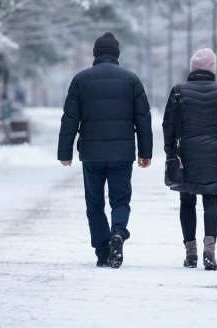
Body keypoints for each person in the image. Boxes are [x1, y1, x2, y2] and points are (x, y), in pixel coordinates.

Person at [58, 32, 153, 268]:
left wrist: (65, 152)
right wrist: (145, 152)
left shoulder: (81, 80)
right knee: (120, 200)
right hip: (122, 153)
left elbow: (70, 118)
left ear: (95, 54)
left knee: (95, 204)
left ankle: (102, 251)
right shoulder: (131, 80)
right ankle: (118, 232)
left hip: (92, 154)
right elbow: (143, 119)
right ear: (117, 55)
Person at [162, 48, 217, 271]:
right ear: (213, 69)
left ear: (192, 68)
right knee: (212, 201)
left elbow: (168, 125)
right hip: (215, 153)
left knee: (187, 202)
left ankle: (191, 252)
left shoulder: (178, 92)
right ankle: (209, 250)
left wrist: (170, 151)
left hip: (185, 154)